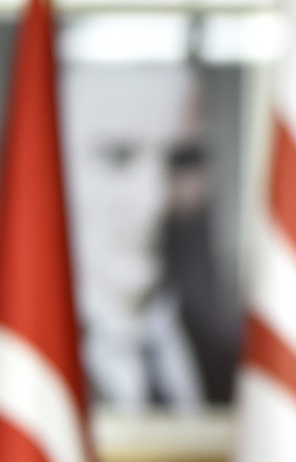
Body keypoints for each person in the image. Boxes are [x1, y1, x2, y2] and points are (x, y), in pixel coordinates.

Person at [59, 58, 237, 413]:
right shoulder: (20, 382)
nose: (154, 201)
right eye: (117, 157)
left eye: (184, 159)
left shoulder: (240, 368)